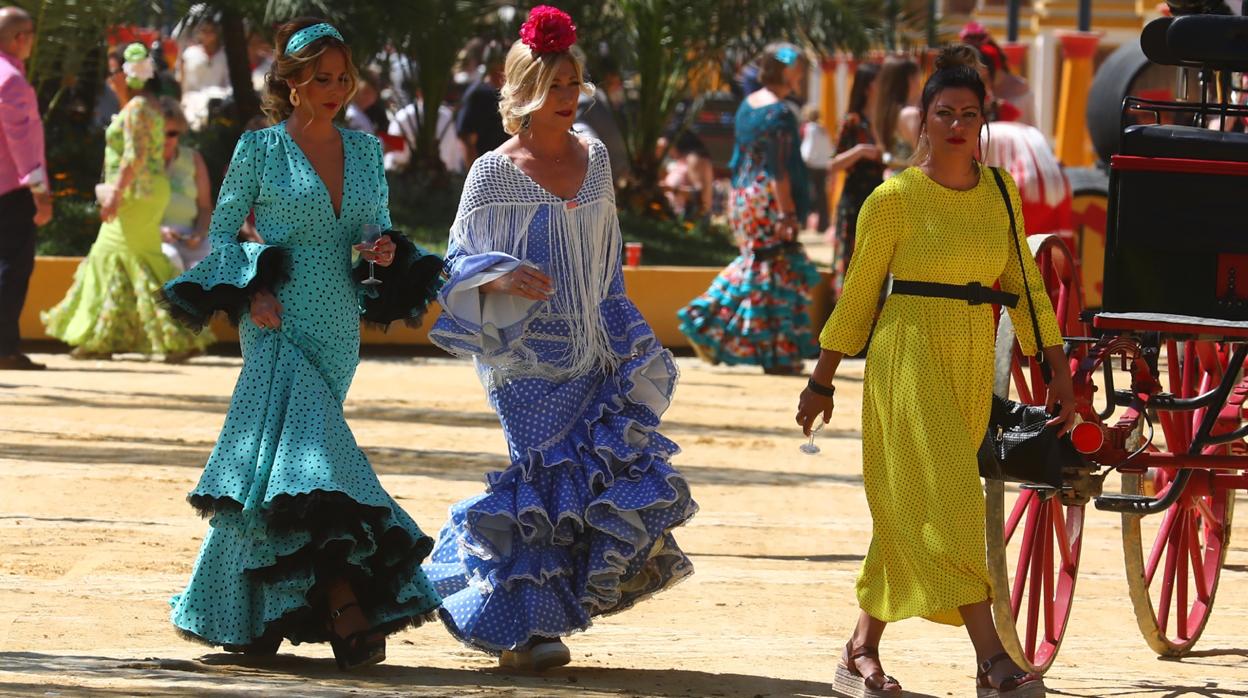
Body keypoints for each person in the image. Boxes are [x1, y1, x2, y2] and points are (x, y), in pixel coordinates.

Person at [160, 18, 444, 670]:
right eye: (321, 77)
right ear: (291, 83)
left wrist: (378, 246)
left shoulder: (367, 151)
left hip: (337, 326)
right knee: (310, 468)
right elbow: (223, 235)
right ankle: (345, 602)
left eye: (344, 78)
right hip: (273, 325)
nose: (336, 89)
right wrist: (248, 294)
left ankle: (251, 614)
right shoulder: (259, 151)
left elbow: (377, 230)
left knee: (277, 478)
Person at [795, 44, 1075, 697]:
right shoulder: (893, 198)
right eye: (943, 113)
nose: (955, 125)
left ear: (983, 121)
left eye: (968, 114)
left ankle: (859, 650)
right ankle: (992, 660)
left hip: (973, 358)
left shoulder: (1001, 194)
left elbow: (1027, 285)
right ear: (922, 121)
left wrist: (1056, 368)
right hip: (907, 355)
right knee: (953, 500)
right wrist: (821, 378)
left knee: (912, 508)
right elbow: (860, 295)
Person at [425, 5, 697, 672]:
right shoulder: (491, 173)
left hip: (597, 346)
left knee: (597, 479)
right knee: (541, 480)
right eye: (555, 86)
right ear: (522, 92)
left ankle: (541, 618)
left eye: (575, 84)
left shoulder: (596, 158)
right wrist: (504, 273)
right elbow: (454, 264)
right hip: (521, 360)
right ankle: (518, 621)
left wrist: (624, 328)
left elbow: (605, 258)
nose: (568, 98)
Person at [42, 43, 212, 362]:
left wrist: (115, 195)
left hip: (135, 194)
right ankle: (125, 337)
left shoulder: (136, 108)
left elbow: (134, 155)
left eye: (112, 72)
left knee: (110, 255)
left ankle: (118, 338)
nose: (109, 79)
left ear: (129, 74)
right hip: (148, 191)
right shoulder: (149, 105)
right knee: (134, 258)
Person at [677, 43, 822, 375]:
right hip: (768, 196)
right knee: (774, 266)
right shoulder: (780, 112)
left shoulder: (748, 105)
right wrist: (786, 211)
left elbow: (742, 157)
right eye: (798, 68)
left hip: (742, 194)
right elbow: (778, 168)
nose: (800, 75)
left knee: (759, 265)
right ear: (786, 72)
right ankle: (711, 323)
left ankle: (764, 347)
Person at [0, 7, 51, 371]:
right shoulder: (11, 80)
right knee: (11, 268)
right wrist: (39, 190)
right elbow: (21, 141)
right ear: (20, 38)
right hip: (11, 191)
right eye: (31, 33)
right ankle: (3, 347)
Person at [827, 62, 884, 297]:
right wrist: (860, 151)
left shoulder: (882, 120)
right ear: (868, 86)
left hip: (878, 197)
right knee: (851, 257)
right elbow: (833, 163)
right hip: (854, 199)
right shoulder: (852, 121)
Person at [157, 97, 212, 272]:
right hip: (154, 237)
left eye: (172, 133)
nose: (166, 139)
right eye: (160, 132)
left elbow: (205, 207)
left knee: (214, 262)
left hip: (190, 236)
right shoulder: (143, 163)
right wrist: (159, 231)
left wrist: (199, 233)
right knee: (170, 258)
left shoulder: (193, 159)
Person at [574, 54, 630, 183]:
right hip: (597, 179)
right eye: (617, 76)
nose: (620, 83)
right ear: (609, 76)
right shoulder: (589, 101)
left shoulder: (608, 101)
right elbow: (580, 130)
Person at [456, 40, 509, 167]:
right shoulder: (478, 94)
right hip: (486, 169)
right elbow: (466, 137)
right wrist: (474, 173)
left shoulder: (509, 93)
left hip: (508, 166)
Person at [873, 54, 921, 177]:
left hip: (895, 183)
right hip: (912, 187)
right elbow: (925, 158)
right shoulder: (909, 115)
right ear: (910, 80)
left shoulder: (882, 115)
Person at [661, 130, 714, 221]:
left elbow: (700, 194)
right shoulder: (683, 160)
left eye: (668, 147)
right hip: (677, 216)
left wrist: (671, 189)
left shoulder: (694, 159)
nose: (668, 152)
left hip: (688, 219)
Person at [799, 104, 832, 232]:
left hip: (811, 165)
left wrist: (804, 159)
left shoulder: (810, 128)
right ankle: (823, 223)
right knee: (821, 195)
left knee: (807, 193)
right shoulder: (822, 128)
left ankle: (803, 222)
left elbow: (808, 147)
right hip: (823, 165)